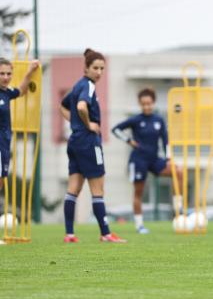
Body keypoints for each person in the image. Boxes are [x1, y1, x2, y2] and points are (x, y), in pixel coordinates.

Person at [60, 48, 126, 243]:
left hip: (75, 141)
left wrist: (76, 124)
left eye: (102, 68)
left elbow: (63, 106)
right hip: (88, 142)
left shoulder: (77, 85)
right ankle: (106, 233)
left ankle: (69, 234)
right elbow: (81, 106)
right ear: (86, 68)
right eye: (95, 68)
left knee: (73, 188)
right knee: (98, 189)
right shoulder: (87, 86)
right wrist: (88, 124)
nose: (99, 72)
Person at [112, 88, 183, 234]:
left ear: (153, 103)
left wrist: (169, 159)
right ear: (140, 104)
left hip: (154, 159)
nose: (146, 106)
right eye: (143, 104)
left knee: (178, 171)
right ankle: (139, 225)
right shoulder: (136, 120)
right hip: (138, 160)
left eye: (149, 103)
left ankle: (178, 211)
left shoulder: (159, 120)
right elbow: (116, 129)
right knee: (139, 192)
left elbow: (166, 141)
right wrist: (129, 141)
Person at [0, 58, 40, 190]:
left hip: (4, 145)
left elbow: (21, 90)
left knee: (1, 181)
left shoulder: (6, 92)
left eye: (8, 73)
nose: (6, 77)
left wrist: (29, 71)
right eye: (2, 73)